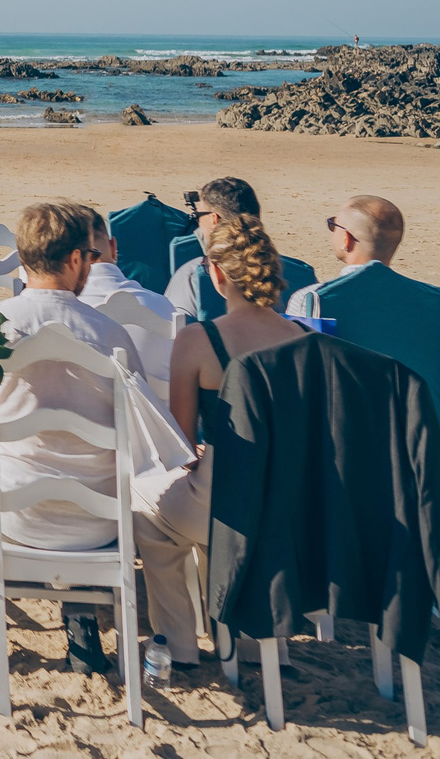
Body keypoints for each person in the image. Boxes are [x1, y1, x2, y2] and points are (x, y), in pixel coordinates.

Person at [0, 202, 189, 677]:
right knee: (81, 474)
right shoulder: (110, 335)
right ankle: (82, 627)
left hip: (14, 518)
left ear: (23, 260)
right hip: (101, 526)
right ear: (75, 260)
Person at [138, 213, 306, 669]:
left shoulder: (199, 340)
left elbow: (180, 444)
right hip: (287, 511)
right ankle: (249, 644)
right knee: (207, 514)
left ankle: (178, 645)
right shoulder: (305, 339)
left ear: (214, 273)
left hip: (224, 499)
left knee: (147, 509)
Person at [286, 195, 440, 458]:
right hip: (426, 454)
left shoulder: (313, 300)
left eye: (334, 225)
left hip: (348, 454)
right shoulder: (437, 302)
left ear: (346, 239)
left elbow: (298, 390)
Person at [164, 177, 316, 320]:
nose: (197, 222)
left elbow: (170, 334)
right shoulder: (303, 273)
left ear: (213, 219)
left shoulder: (192, 275)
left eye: (198, 215)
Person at [77, 208, 180, 386]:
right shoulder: (164, 306)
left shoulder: (69, 308)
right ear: (114, 247)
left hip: (91, 412)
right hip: (155, 412)